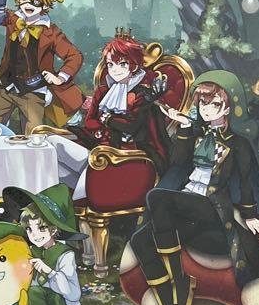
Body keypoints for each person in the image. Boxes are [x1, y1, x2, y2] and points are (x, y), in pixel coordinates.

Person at [130, 70, 259, 305]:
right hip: (184, 209)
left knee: (157, 197)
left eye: (214, 104)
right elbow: (177, 165)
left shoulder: (238, 143)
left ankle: (179, 281)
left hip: (212, 211)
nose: (206, 109)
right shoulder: (195, 135)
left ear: (228, 107)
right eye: (202, 103)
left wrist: (250, 214)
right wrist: (185, 128)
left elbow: (247, 181)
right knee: (140, 241)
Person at [48, 30, 171, 202]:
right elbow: (90, 121)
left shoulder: (142, 94)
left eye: (122, 64)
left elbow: (132, 127)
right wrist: (105, 127)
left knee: (71, 155)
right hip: (98, 147)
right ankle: (74, 199)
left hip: (125, 155)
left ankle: (79, 201)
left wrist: (108, 120)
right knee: (51, 144)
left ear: (134, 65)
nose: (115, 70)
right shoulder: (104, 90)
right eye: (110, 65)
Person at [0, 0, 85, 133]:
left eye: (36, 1)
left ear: (45, 3)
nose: (28, 4)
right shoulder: (14, 18)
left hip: (34, 91)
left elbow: (75, 55)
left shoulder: (51, 32)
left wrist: (60, 77)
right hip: (6, 87)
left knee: (34, 136)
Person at [3, 184, 85, 305]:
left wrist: (50, 272)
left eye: (41, 228)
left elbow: (73, 294)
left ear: (54, 229)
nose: (35, 235)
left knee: (35, 292)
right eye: (30, 230)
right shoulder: (31, 251)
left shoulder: (65, 255)